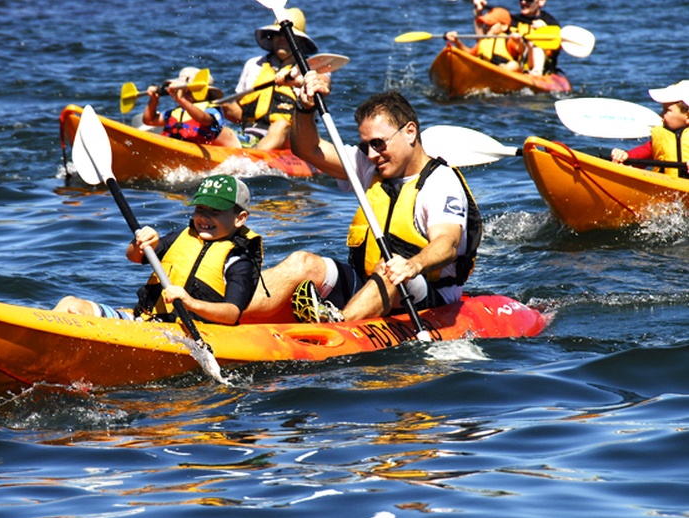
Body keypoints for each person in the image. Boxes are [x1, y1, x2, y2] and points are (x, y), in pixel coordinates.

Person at [241, 73, 482, 324]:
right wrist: (304, 107)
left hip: (427, 295)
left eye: (378, 143)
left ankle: (339, 325)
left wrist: (412, 265)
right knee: (302, 263)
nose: (371, 154)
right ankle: (230, 311)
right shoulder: (370, 165)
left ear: (410, 132)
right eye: (366, 144)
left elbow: (447, 243)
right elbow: (307, 149)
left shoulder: (440, 183)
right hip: (367, 283)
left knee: (389, 268)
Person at [54, 175, 264, 326]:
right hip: (146, 321)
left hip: (191, 334)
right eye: (200, 209)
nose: (204, 218)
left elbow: (231, 313)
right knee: (70, 304)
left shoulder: (239, 259)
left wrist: (191, 303)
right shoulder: (183, 237)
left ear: (240, 218)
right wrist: (143, 243)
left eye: (215, 212)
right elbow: (133, 257)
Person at [221, 7, 317, 151]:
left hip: (290, 136)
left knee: (280, 124)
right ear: (271, 38)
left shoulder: (311, 69)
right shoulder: (253, 64)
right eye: (278, 34)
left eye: (288, 35)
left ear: (300, 42)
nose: (282, 39)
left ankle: (252, 159)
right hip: (253, 129)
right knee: (224, 106)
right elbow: (239, 109)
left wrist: (295, 81)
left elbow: (323, 85)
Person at [141, 67, 241, 148]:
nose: (184, 93)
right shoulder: (176, 112)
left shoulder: (212, 109)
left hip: (197, 150)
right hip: (172, 147)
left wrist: (182, 100)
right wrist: (153, 100)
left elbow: (204, 120)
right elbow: (149, 121)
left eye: (187, 90)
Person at [611, 80, 689, 179]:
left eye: (667, 110)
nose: (661, 115)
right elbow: (642, 154)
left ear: (688, 116)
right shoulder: (662, 137)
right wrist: (624, 156)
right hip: (665, 186)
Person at [473, 0, 560, 76]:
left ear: (541, 1)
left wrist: (544, 30)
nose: (523, 2)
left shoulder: (551, 23)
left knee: (534, 45)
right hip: (516, 67)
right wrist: (478, 13)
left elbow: (554, 49)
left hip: (541, 69)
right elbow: (483, 40)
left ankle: (536, 72)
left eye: (529, 0)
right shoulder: (512, 21)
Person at [445, 7, 522, 72]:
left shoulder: (508, 40)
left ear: (504, 26)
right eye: (485, 25)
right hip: (484, 72)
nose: (486, 28)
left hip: (503, 72)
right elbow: (469, 55)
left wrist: (520, 42)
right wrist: (457, 42)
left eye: (490, 25)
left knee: (513, 65)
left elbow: (522, 51)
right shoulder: (484, 41)